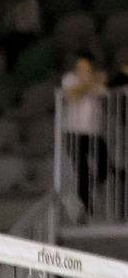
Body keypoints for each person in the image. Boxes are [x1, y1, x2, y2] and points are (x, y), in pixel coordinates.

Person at [61, 51, 109, 218]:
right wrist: (89, 84)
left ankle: (98, 183)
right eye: (80, 66)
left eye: (86, 66)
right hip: (73, 132)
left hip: (93, 131)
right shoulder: (69, 78)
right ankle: (86, 206)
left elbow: (103, 88)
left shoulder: (98, 77)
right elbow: (72, 94)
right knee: (82, 169)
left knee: (103, 160)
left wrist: (89, 84)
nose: (82, 69)